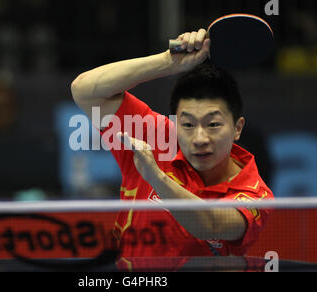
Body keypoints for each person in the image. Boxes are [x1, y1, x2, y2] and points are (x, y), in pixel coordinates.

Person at [71, 29, 274, 269]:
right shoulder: (157, 137)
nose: (199, 138)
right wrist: (168, 61)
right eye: (187, 124)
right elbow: (84, 90)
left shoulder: (254, 193)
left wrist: (155, 177)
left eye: (213, 124)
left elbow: (212, 224)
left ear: (237, 128)